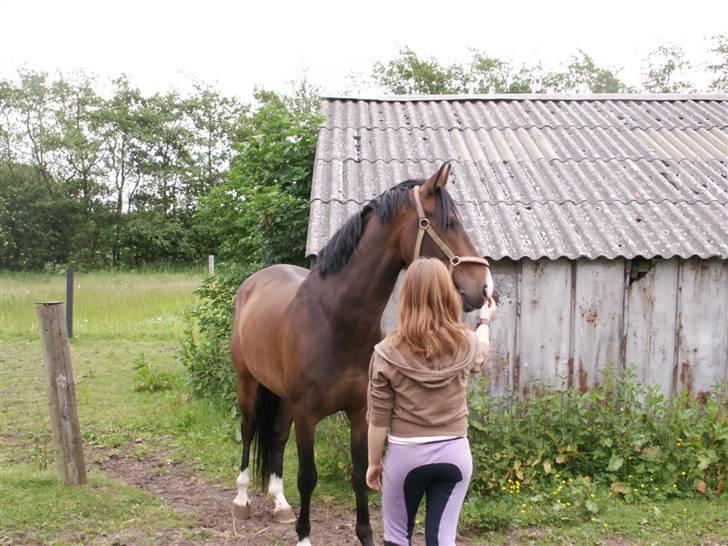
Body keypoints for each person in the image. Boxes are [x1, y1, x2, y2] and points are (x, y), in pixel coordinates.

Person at [365, 258, 495, 546]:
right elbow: (482, 351)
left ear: (406, 296)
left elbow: (378, 419)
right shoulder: (466, 342)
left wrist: (374, 462)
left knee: (397, 537)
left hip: (406, 457)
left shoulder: (386, 352)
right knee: (442, 539)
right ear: (448, 293)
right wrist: (484, 320)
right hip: (455, 456)